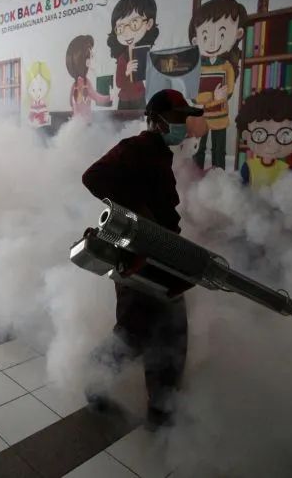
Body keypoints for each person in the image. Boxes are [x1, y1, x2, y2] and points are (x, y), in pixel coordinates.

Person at [81, 89, 205, 429]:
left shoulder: (159, 153)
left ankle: (163, 408)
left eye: (184, 118)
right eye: (177, 118)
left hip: (160, 254)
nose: (182, 125)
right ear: (156, 120)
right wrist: (136, 212)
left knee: (169, 329)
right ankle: (97, 381)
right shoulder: (136, 148)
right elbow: (93, 177)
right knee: (136, 330)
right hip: (137, 256)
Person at [189, 0, 247, 170]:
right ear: (196, 40)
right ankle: (195, 175)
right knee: (198, 149)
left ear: (238, 34)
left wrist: (222, 95)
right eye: (205, 36)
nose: (213, 42)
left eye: (222, 34)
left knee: (219, 149)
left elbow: (228, 89)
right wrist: (211, 97)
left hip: (220, 117)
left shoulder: (227, 66)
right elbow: (194, 97)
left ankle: (218, 177)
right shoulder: (196, 69)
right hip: (201, 117)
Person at [236, 88, 292, 188]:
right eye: (260, 134)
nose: (271, 142)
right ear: (246, 134)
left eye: (285, 135)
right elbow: (242, 191)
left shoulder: (287, 171)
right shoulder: (248, 168)